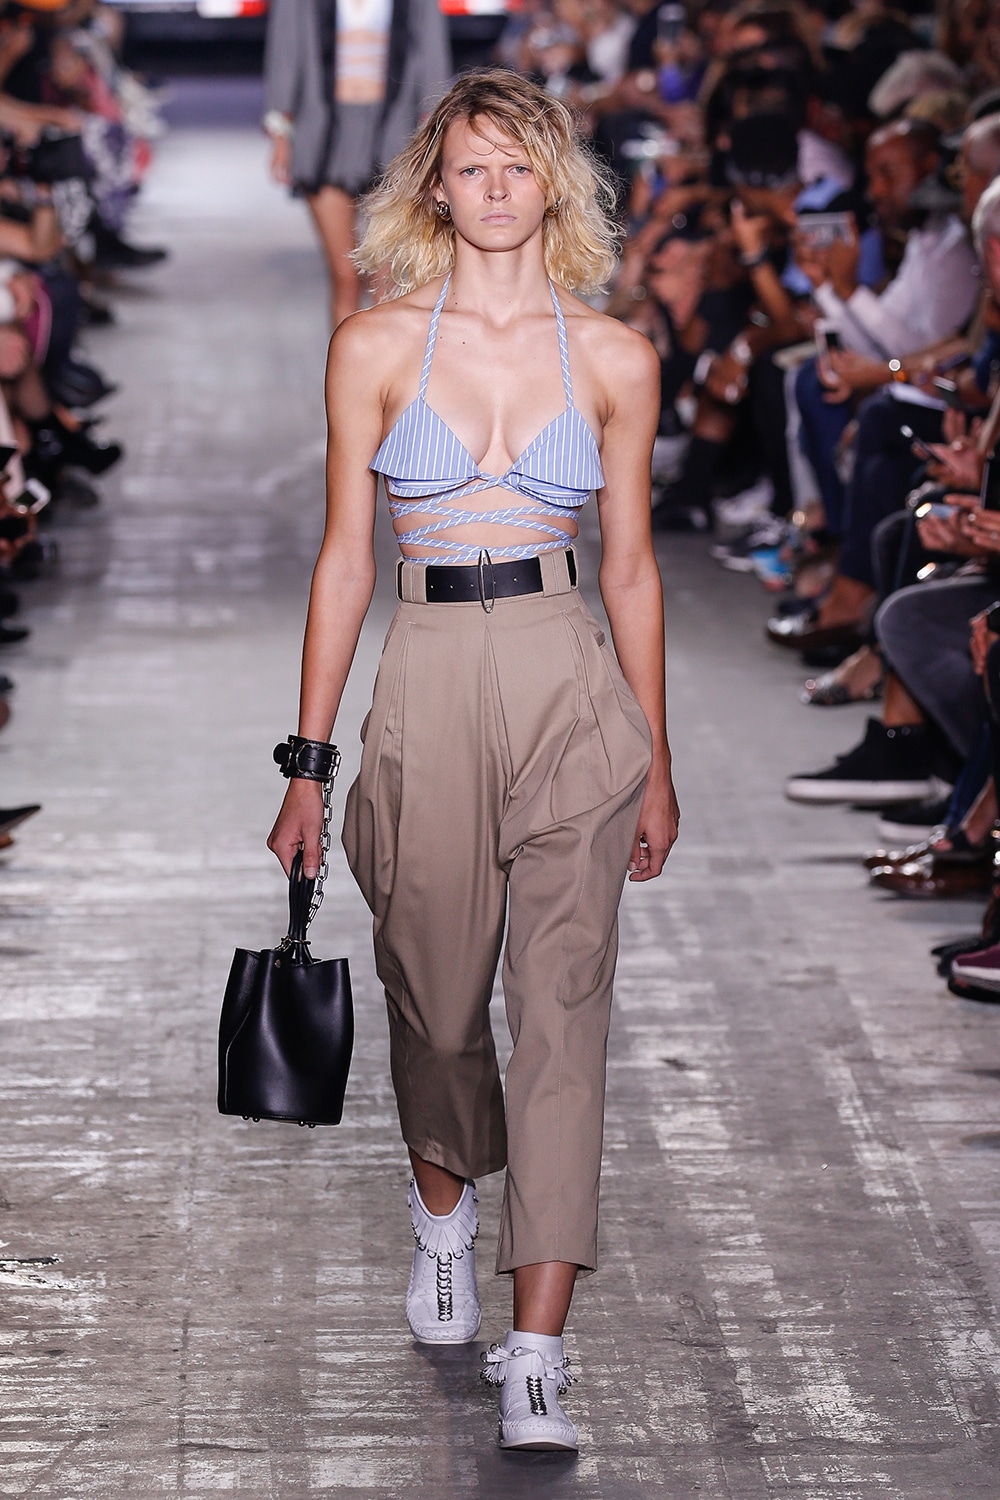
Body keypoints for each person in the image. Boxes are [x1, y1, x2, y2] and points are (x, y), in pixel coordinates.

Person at [267, 68, 679, 1452]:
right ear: (434, 190)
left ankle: (537, 1352)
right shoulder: (374, 345)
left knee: (563, 1014)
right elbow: (344, 560)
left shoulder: (614, 356)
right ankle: (442, 1210)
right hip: (429, 667)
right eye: (471, 168)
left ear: (551, 183)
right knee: (435, 1003)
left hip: (569, 676)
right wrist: (308, 763)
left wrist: (655, 755)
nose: (496, 189)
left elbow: (632, 571)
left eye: (518, 166)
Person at [262, 0, 451, 327]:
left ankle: (383, 362)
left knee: (386, 281)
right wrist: (281, 133)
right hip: (323, 139)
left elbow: (432, 53)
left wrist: (437, 135)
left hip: (394, 137)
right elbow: (285, 50)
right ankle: (346, 362)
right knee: (345, 277)